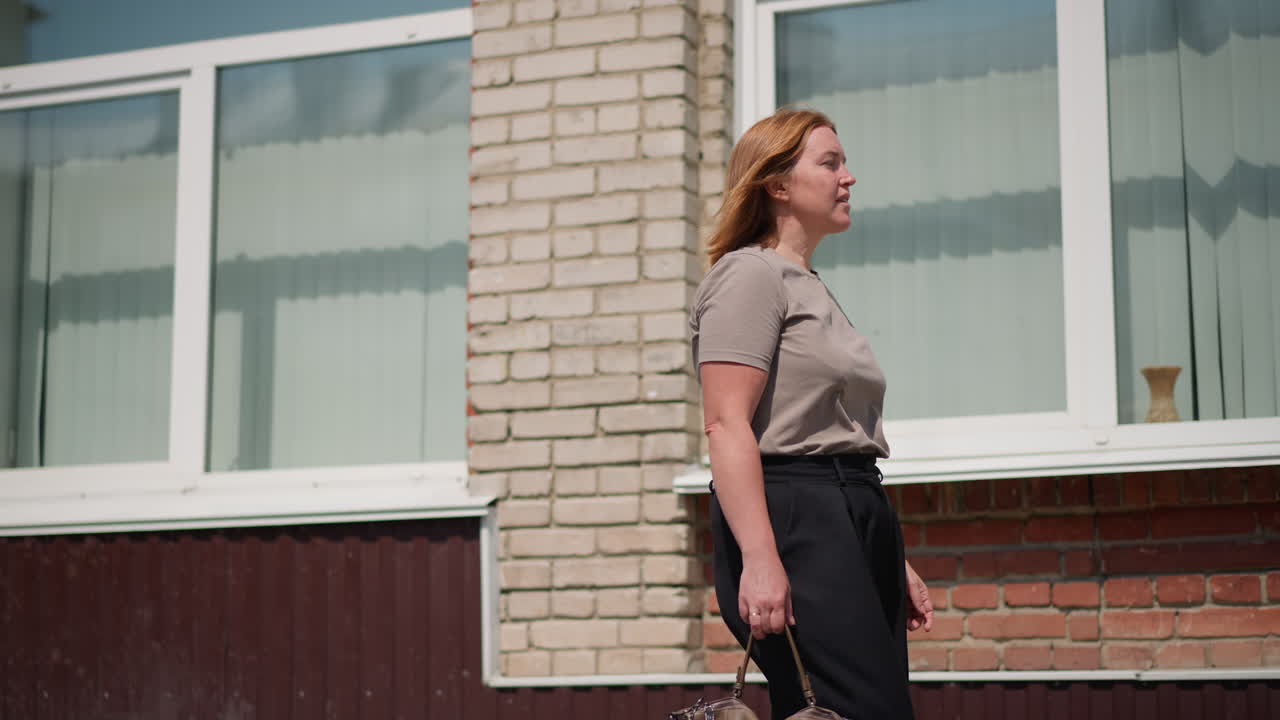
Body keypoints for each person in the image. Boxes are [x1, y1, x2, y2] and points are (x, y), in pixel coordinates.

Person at [690, 108, 934, 720]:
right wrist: (762, 560)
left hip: (850, 514)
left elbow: (829, 429)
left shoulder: (807, 284)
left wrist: (882, 550)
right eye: (830, 163)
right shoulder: (748, 276)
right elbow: (726, 422)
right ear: (776, 184)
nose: (848, 178)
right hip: (795, 519)